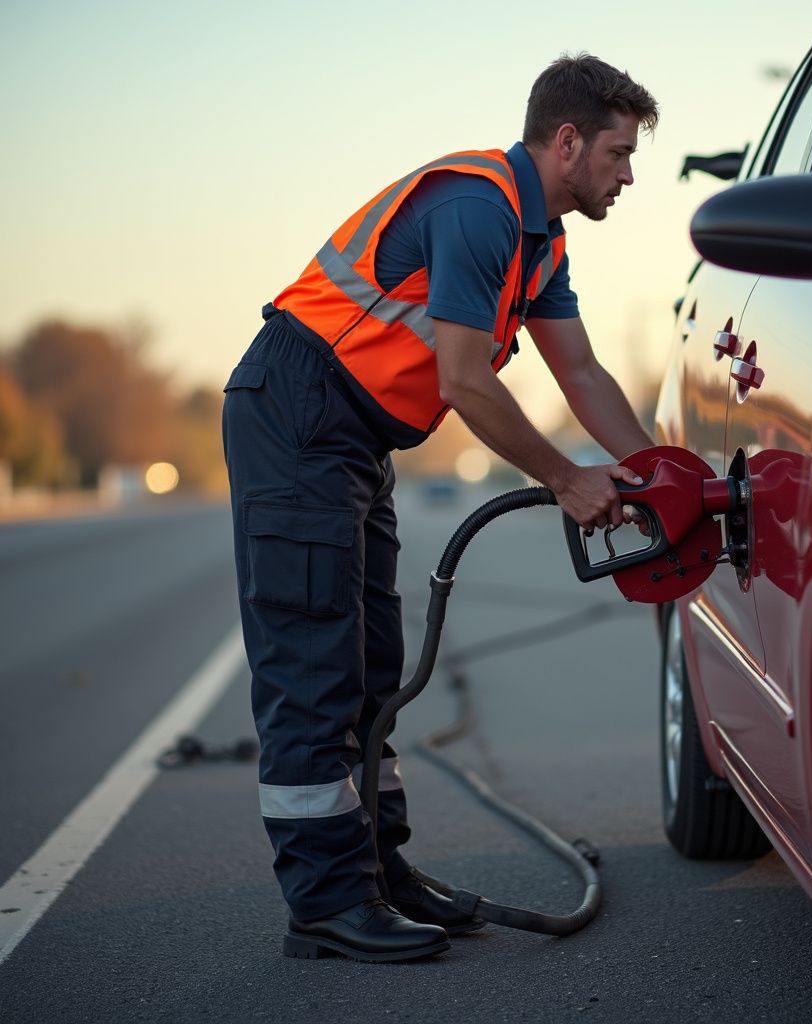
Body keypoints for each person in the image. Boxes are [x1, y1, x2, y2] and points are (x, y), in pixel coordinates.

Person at [222, 53, 658, 963]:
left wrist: (659, 472)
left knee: (374, 666)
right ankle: (327, 905)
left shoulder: (541, 239)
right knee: (315, 667)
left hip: (351, 435)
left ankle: (379, 874)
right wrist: (570, 480)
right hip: (299, 414)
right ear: (567, 141)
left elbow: (579, 371)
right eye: (618, 153)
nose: (629, 175)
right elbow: (465, 381)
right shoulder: (478, 210)